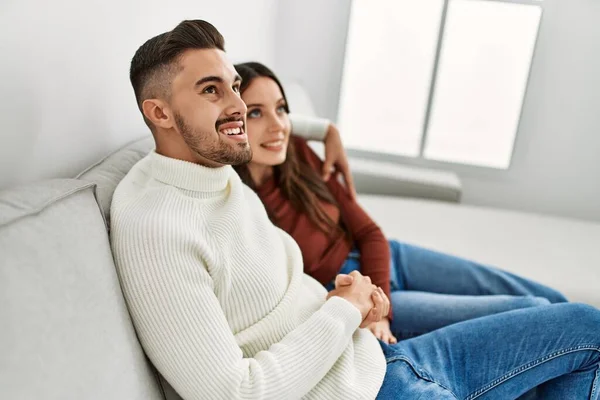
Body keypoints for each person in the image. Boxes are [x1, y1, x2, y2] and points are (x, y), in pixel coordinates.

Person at [111, 19, 600, 400]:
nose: (238, 105)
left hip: (374, 359)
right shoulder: (157, 225)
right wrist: (343, 310)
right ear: (159, 113)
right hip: (374, 389)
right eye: (211, 90)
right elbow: (234, 392)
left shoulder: (217, 174)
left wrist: (348, 302)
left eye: (235, 86)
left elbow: (286, 289)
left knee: (582, 323)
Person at [232, 62, 568, 345]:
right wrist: (380, 312)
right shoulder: (238, 204)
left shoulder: (296, 152)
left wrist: (327, 130)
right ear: (232, 122)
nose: (278, 126)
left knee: (550, 299)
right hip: (357, 289)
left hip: (389, 255)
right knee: (531, 308)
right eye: (257, 113)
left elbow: (369, 232)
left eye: (281, 109)